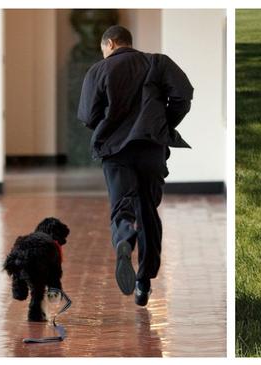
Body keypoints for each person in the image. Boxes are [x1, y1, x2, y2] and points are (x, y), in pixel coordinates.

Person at [77, 25, 193, 306]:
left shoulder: (99, 70)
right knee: (148, 210)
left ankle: (124, 239)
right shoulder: (157, 62)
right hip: (151, 147)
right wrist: (162, 122)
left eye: (103, 49)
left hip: (116, 150)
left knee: (123, 205)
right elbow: (183, 94)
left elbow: (88, 115)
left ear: (110, 44)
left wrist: (110, 124)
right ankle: (143, 282)